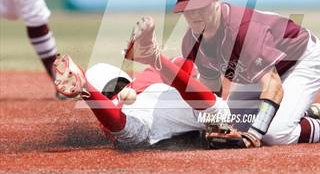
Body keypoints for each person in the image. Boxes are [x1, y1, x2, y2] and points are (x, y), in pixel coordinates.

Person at [162, 0, 320, 149]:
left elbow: (273, 85)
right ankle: (299, 112)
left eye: (200, 6)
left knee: (275, 134)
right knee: (232, 122)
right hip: (256, 72)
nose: (194, 15)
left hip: (301, 60)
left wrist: (254, 135)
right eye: (188, 9)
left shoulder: (243, 30)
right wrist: (212, 123)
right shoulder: (191, 41)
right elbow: (212, 89)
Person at [54, 35, 232, 148]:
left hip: (143, 120)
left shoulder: (118, 102)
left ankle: (87, 90)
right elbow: (183, 67)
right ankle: (154, 58)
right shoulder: (147, 78)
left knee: (129, 137)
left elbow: (115, 126)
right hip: (174, 106)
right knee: (219, 113)